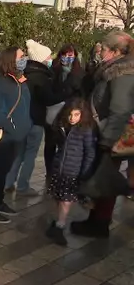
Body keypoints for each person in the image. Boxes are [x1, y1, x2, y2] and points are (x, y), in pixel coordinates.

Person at [72, 31, 134, 238]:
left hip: (110, 135)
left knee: (105, 178)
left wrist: (107, 140)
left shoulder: (123, 72)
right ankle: (95, 220)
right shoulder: (112, 69)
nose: (101, 53)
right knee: (101, 177)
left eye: (105, 49)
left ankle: (99, 223)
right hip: (103, 130)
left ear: (116, 51)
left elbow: (120, 109)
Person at [0, 47, 32, 224]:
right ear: (11, 59)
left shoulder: (20, 80)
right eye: (20, 56)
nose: (23, 59)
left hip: (17, 136)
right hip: (3, 136)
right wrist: (9, 125)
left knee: (4, 171)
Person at [5, 40, 62, 195]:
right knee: (30, 154)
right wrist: (65, 93)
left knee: (19, 153)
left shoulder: (23, 74)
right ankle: (23, 186)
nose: (51, 59)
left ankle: (8, 182)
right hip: (36, 120)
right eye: (49, 56)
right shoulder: (42, 77)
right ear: (42, 58)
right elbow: (48, 99)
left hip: (21, 119)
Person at [46, 99, 96, 246]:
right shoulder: (62, 127)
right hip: (59, 169)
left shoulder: (85, 130)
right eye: (70, 114)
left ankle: (60, 225)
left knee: (66, 200)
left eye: (76, 114)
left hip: (73, 172)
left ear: (82, 115)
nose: (72, 118)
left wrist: (85, 173)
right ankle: (57, 223)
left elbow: (90, 153)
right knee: (58, 197)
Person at [47, 44, 85, 181]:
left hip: (70, 111)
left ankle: (64, 171)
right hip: (54, 110)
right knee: (50, 143)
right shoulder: (53, 70)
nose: (68, 58)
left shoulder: (79, 72)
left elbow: (81, 92)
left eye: (71, 55)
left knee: (66, 142)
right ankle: (50, 172)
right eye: (65, 55)